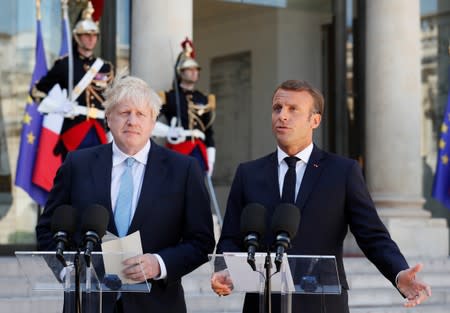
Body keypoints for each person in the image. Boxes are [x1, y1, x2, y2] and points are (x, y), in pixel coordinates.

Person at [210, 80, 431, 313]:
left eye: (293, 109)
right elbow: (231, 237)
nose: (282, 116)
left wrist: (398, 273)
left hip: (322, 304)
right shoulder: (248, 173)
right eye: (277, 108)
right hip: (263, 305)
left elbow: (373, 236)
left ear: (314, 120)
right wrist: (224, 269)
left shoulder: (342, 172)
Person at [36, 75, 215, 313]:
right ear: (108, 118)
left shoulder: (183, 170)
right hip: (89, 303)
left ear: (153, 122)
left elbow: (201, 242)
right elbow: (48, 229)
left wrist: (159, 264)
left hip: (157, 304)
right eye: (124, 112)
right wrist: (66, 271)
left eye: (141, 114)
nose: (132, 121)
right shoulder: (77, 164)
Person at [31, 1, 114, 160]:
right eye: (86, 35)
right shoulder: (65, 64)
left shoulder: (105, 68)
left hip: (99, 131)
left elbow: (114, 100)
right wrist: (58, 107)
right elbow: (37, 91)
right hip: (74, 131)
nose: (91, 39)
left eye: (94, 35)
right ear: (76, 36)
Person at [156, 38, 216, 176]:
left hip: (199, 150)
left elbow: (208, 131)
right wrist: (168, 131)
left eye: (196, 69)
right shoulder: (169, 96)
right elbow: (149, 121)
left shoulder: (204, 98)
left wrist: (210, 159)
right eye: (190, 69)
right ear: (180, 71)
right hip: (179, 148)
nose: (194, 72)